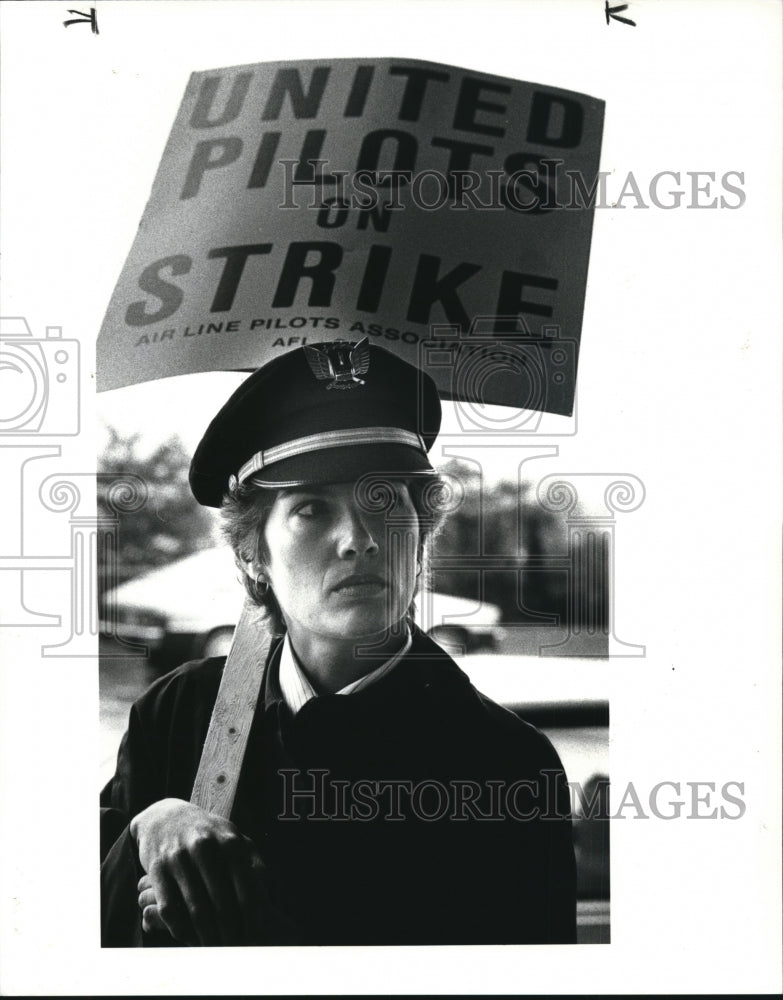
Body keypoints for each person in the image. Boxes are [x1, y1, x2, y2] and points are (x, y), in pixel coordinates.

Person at [100, 340, 577, 947]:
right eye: (311, 509)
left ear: (421, 533)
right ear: (253, 555)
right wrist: (149, 824)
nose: (359, 540)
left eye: (384, 502)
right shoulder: (175, 716)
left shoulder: (505, 763)